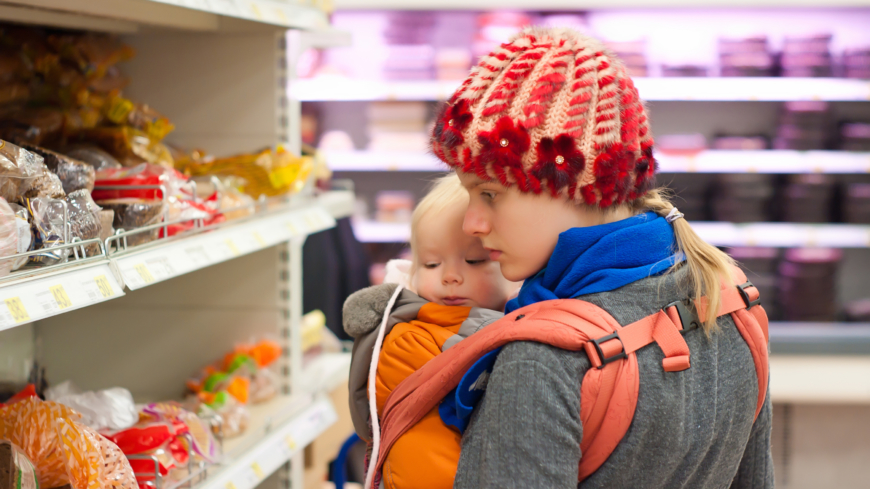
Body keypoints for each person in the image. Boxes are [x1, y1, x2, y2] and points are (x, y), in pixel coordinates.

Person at [351, 26, 773, 488]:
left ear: (569, 183)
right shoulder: (729, 298)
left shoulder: (541, 361)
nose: (471, 223)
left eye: (489, 194)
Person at [343, 174, 514, 489]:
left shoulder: (502, 319)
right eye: (432, 264)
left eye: (473, 260)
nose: (450, 276)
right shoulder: (409, 339)